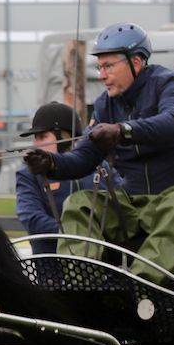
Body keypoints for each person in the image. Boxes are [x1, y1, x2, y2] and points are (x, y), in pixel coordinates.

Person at [24, 22, 174, 292]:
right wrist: (51, 163)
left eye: (108, 66)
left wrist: (123, 131)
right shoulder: (105, 105)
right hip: (134, 205)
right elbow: (84, 157)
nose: (102, 75)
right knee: (78, 203)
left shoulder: (170, 85)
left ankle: (135, 287)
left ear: (136, 62)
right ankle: (82, 288)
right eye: (99, 67)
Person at [16, 101, 116, 256]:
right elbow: (31, 218)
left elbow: (119, 207)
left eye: (42, 137)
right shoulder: (28, 174)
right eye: (35, 138)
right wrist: (76, 232)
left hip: (102, 260)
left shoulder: (101, 168)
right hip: (51, 263)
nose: (36, 144)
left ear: (65, 137)